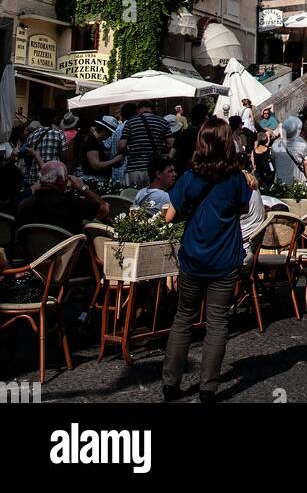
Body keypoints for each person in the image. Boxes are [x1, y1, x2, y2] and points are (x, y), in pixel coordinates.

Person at [162, 117, 252, 403]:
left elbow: (169, 215)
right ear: (228, 145)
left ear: (201, 144)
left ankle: (170, 383)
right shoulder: (237, 179)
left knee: (183, 318)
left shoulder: (189, 177)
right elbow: (242, 209)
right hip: (224, 257)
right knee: (217, 322)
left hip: (193, 256)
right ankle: (208, 387)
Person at [15, 160, 108, 231]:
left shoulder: (25, 204)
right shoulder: (71, 203)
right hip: (69, 254)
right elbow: (104, 209)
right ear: (60, 180)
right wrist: (82, 188)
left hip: (34, 254)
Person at [118, 101, 171, 188]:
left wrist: (130, 151)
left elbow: (122, 146)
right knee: (153, 198)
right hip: (154, 170)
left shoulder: (130, 122)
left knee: (133, 198)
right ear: (152, 109)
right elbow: (170, 143)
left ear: (138, 110)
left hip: (134, 168)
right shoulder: (163, 122)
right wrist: (161, 148)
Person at [20, 109, 68, 188]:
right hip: (52, 179)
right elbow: (64, 157)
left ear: (40, 120)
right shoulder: (59, 134)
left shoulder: (32, 135)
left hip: (34, 178)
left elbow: (27, 155)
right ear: (53, 119)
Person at [174, 102, 210, 177]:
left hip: (180, 171)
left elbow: (172, 153)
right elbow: (195, 155)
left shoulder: (183, 133)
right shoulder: (201, 135)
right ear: (205, 117)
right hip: (193, 173)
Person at [270, 116, 307, 185]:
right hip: (298, 183)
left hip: (281, 182)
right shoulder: (302, 144)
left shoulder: (275, 144)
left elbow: (273, 161)